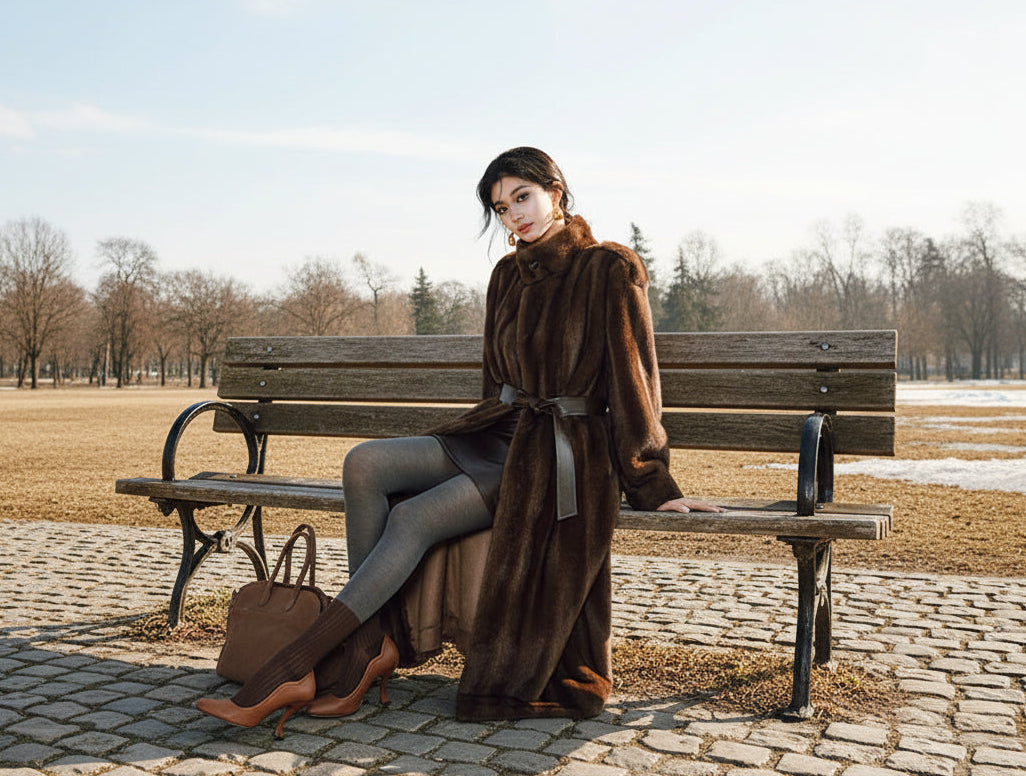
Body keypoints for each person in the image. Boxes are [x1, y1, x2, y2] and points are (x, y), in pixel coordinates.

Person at [197, 146, 723, 733]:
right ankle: (367, 647)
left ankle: (300, 665)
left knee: (414, 519)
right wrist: (478, 433)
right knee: (364, 464)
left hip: (556, 454)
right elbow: (494, 383)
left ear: (557, 190)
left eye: (522, 197)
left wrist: (653, 483)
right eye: (501, 208)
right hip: (498, 432)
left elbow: (635, 383)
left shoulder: (608, 268)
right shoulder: (506, 275)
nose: (514, 216)